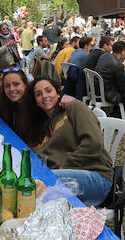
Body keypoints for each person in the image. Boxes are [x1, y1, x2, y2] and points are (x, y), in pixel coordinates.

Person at [24, 77, 113, 206]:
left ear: (58, 93)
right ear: (36, 102)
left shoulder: (74, 107)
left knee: (35, 184)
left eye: (48, 91)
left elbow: (93, 143)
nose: (44, 96)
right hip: (66, 177)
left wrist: (66, 164)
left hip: (97, 177)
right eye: (39, 94)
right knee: (30, 183)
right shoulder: (45, 125)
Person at [97, 40, 125, 117]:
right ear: (123, 52)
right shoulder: (118, 65)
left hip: (98, 89)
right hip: (108, 94)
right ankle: (119, 116)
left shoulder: (104, 56)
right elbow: (121, 88)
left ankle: (116, 113)